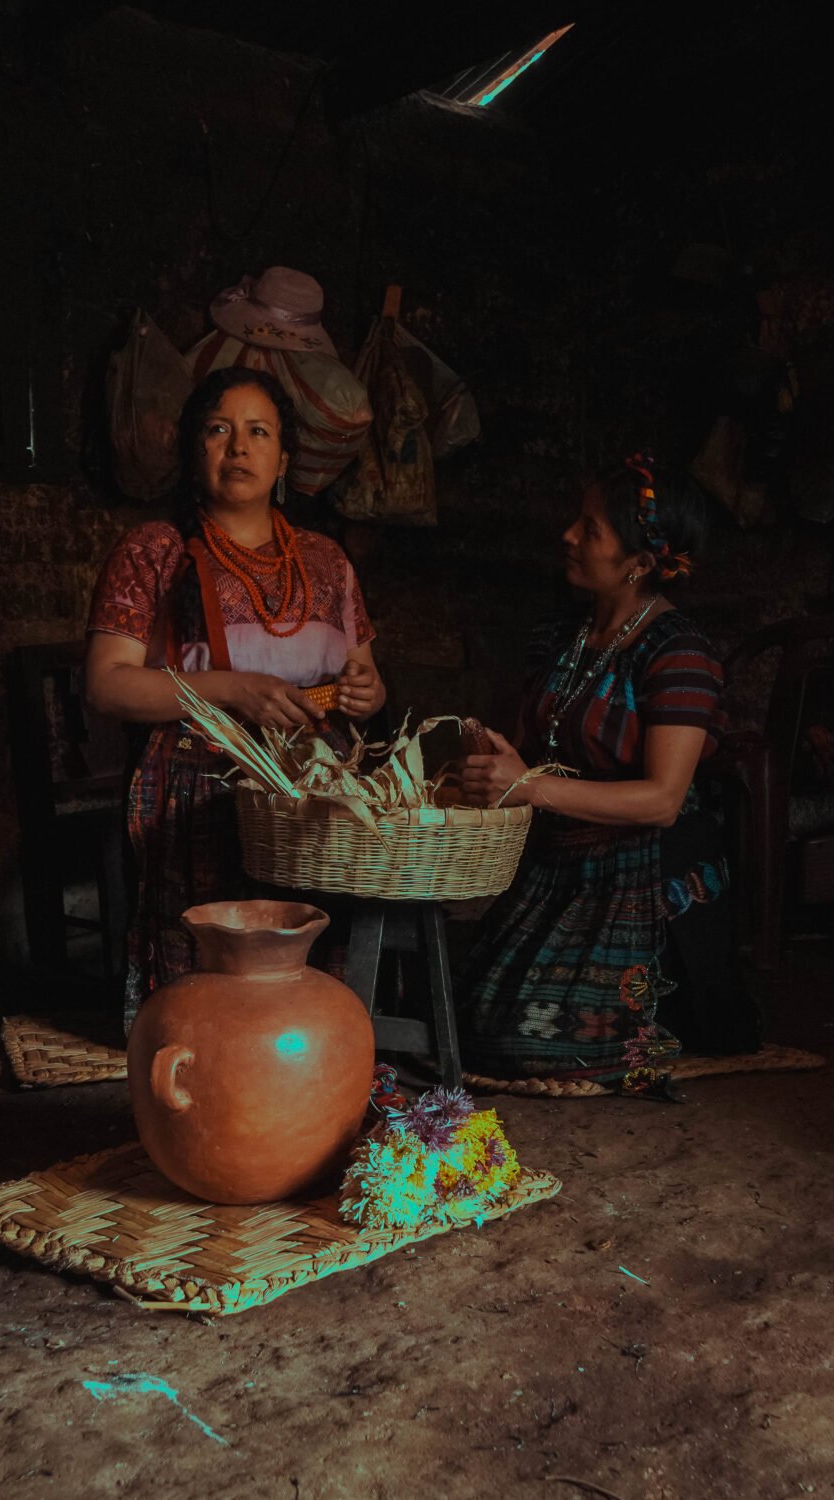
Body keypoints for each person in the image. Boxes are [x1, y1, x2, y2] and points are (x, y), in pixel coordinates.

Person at [85, 366, 387, 1021]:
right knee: (212, 980)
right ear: (195, 450)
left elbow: (364, 676)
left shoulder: (327, 561)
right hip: (198, 777)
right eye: (219, 430)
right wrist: (232, 691)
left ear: (284, 461)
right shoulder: (155, 551)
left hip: (313, 784)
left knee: (310, 962)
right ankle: (204, 1043)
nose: (239, 447)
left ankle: (313, 1045)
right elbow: (107, 684)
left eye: (259, 432)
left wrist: (366, 692)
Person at [456, 453, 761, 1093]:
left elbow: (662, 800)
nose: (568, 534)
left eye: (590, 529)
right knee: (467, 1021)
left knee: (531, 1042)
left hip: (645, 872)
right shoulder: (559, 635)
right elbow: (530, 751)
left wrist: (529, 787)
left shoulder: (678, 652)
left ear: (640, 562)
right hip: (559, 867)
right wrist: (488, 766)